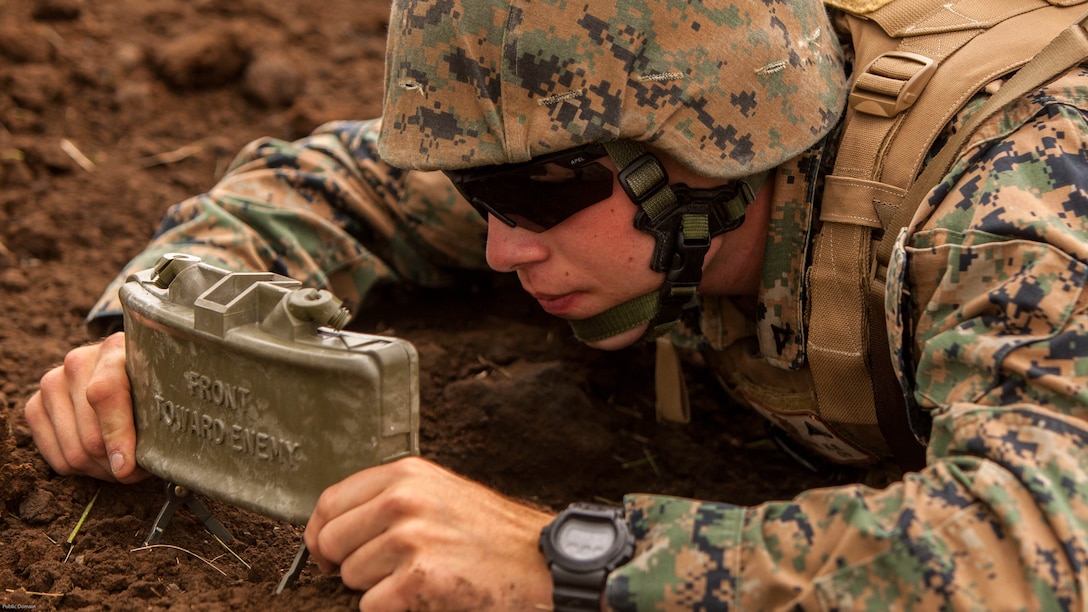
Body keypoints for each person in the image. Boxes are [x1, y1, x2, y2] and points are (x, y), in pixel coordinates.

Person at [23, 0, 1088, 608]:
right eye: (476, 191)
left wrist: (574, 561)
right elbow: (328, 183)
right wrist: (153, 336)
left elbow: (1038, 542)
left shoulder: (997, 217)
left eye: (536, 192)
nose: (499, 243)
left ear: (708, 155)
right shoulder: (606, 142)